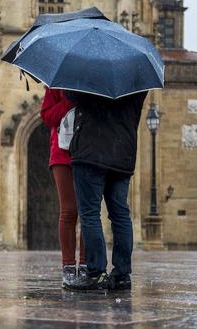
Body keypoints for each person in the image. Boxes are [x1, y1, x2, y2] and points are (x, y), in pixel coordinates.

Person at [64, 90, 147, 291]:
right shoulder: (137, 80)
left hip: (91, 152)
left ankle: (96, 273)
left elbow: (71, 96)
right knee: (120, 214)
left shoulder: (89, 75)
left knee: (90, 214)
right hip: (122, 154)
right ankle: (122, 275)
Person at [40, 88, 86, 285]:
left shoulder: (93, 85)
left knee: (88, 213)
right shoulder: (56, 86)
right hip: (62, 152)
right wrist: (70, 101)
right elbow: (47, 116)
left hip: (88, 151)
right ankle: (68, 266)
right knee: (68, 211)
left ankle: (85, 265)